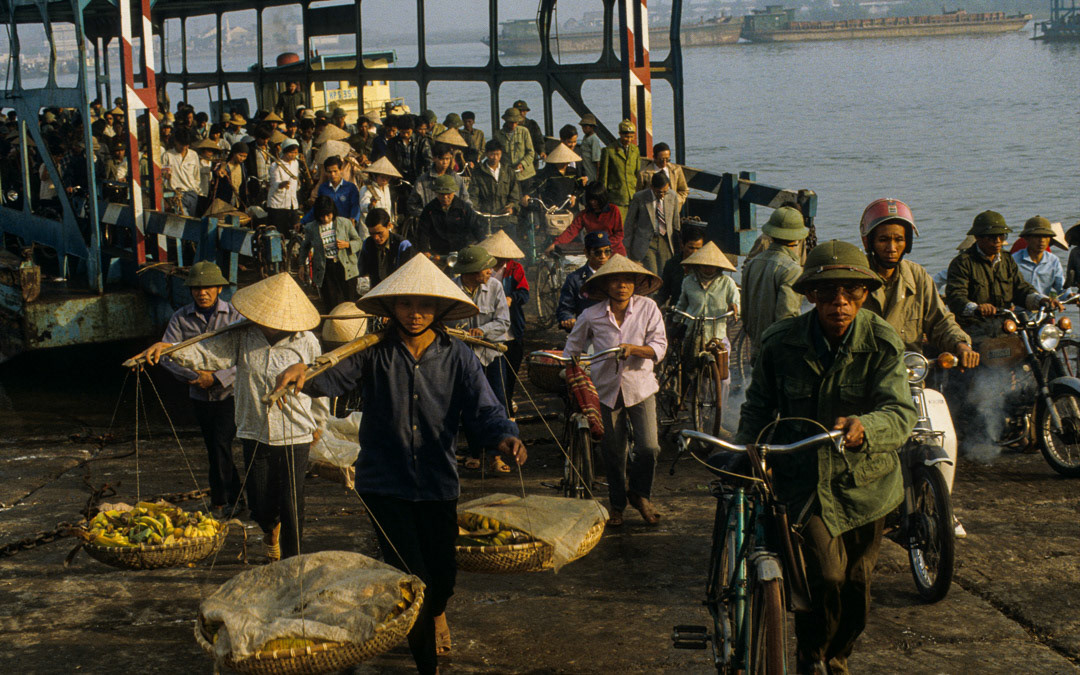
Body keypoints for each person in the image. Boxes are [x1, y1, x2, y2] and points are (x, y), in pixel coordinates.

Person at [273, 254, 526, 675]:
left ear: (440, 309)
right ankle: (427, 664)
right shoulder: (372, 352)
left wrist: (504, 437)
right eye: (405, 304)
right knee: (413, 577)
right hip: (383, 483)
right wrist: (303, 372)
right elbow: (330, 374)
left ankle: (437, 612)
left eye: (424, 305)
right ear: (392, 309)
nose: (415, 313)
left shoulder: (457, 356)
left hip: (437, 481)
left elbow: (485, 409)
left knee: (442, 576)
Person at [735, 240, 917, 674]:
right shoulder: (780, 343)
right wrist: (745, 452)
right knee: (824, 578)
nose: (840, 302)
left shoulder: (882, 341)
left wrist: (865, 427)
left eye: (850, 293)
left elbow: (900, 412)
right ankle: (811, 654)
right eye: (828, 292)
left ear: (864, 295)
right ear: (811, 295)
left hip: (866, 486)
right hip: (803, 483)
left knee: (856, 586)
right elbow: (758, 407)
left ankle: (837, 656)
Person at [138, 273, 324, 562]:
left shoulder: (306, 341)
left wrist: (319, 423)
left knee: (293, 502)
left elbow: (318, 384)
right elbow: (207, 354)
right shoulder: (243, 335)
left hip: (295, 429)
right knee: (260, 502)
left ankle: (292, 563)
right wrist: (171, 350)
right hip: (254, 428)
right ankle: (269, 527)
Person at [857, 198, 976, 538]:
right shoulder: (857, 278)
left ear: (908, 241)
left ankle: (941, 505)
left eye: (899, 239)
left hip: (911, 377)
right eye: (883, 239)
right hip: (867, 378)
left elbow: (941, 320)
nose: (892, 247)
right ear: (868, 241)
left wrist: (961, 345)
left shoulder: (918, 276)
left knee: (944, 435)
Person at [564, 255, 667, 526]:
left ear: (635, 284)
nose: (622, 285)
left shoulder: (648, 308)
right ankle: (617, 504)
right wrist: (574, 364)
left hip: (640, 386)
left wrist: (635, 350)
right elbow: (572, 349)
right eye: (615, 280)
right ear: (605, 285)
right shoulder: (590, 315)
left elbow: (659, 346)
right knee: (613, 451)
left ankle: (640, 494)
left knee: (649, 447)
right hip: (606, 390)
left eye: (627, 280)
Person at [158, 262, 244, 516]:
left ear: (219, 288)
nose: (202, 293)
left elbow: (245, 356)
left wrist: (217, 378)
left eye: (207, 288)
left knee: (220, 443)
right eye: (196, 288)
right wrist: (195, 376)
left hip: (229, 394)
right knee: (216, 448)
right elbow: (165, 354)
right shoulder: (181, 317)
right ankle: (236, 498)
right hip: (199, 395)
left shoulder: (234, 316)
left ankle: (221, 501)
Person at [945, 210, 1061, 339]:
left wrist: (1040, 300)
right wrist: (977, 308)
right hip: (974, 329)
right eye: (992, 237)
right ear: (978, 237)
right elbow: (955, 297)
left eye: (1002, 236)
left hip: (1005, 325)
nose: (998, 241)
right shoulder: (963, 263)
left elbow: (1020, 288)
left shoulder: (1006, 259)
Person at [451, 246, 512, 473]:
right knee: (469, 404)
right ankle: (476, 452)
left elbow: (504, 322)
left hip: (491, 355)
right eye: (486, 268)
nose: (490, 271)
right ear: (472, 271)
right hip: (464, 358)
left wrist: (482, 331)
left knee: (497, 403)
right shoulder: (451, 289)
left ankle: (497, 455)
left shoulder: (495, 286)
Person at [740, 206, 808, 356]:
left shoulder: (752, 264)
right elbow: (786, 317)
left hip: (756, 345)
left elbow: (744, 311)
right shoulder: (792, 270)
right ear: (797, 238)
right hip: (778, 350)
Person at [480, 230, 529, 417]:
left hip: (511, 330)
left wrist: (511, 298)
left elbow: (524, 293)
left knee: (509, 377)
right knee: (492, 379)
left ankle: (507, 409)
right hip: (489, 330)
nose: (499, 261)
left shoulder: (515, 269)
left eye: (502, 257)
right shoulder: (482, 269)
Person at [673, 241, 739, 357]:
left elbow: (736, 305)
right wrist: (675, 320)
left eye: (712, 266)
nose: (708, 269)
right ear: (698, 265)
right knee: (689, 369)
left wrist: (734, 307)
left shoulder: (727, 283)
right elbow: (681, 305)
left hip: (717, 334)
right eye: (705, 265)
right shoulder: (688, 281)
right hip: (692, 333)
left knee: (723, 371)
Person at [300, 195, 365, 310]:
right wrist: (301, 265)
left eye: (328, 215)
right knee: (331, 301)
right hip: (326, 268)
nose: (325, 219)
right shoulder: (312, 228)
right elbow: (305, 247)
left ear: (333, 212)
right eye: (322, 216)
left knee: (349, 301)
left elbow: (358, 241)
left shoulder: (345, 223)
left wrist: (347, 244)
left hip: (345, 266)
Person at [414, 174, 485, 260]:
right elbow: (422, 232)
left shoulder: (464, 208)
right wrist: (424, 250)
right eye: (441, 194)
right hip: (439, 254)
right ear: (436, 193)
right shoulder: (429, 210)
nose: (445, 197)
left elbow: (476, 227)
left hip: (462, 252)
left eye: (448, 194)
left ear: (454, 192)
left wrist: (483, 245)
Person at [624, 172, 681, 276]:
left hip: (665, 241)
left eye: (665, 192)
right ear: (652, 187)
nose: (662, 195)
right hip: (647, 242)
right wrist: (627, 249)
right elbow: (629, 223)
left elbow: (676, 222)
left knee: (665, 273)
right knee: (652, 273)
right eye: (659, 192)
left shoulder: (672, 196)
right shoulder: (639, 197)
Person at [546, 182, 626, 256]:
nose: (593, 202)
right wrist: (556, 244)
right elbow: (571, 231)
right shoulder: (584, 214)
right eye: (591, 199)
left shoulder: (613, 210)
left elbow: (619, 234)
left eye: (596, 200)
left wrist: (603, 245)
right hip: (596, 255)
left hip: (615, 253)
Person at [556, 231, 613, 330]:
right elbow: (565, 308)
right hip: (588, 331)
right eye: (597, 252)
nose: (603, 256)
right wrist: (568, 319)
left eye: (607, 251)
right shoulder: (574, 279)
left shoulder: (617, 276)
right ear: (586, 253)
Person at [409, 142, 470, 218]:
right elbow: (412, 204)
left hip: (453, 222)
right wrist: (427, 215)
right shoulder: (423, 180)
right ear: (434, 158)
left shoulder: (456, 178)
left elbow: (465, 200)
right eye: (441, 159)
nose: (445, 162)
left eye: (447, 159)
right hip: (430, 223)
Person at [359, 207, 416, 287]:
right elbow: (363, 270)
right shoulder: (368, 244)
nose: (376, 238)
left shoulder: (403, 245)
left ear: (389, 225)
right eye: (372, 234)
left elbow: (409, 275)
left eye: (379, 233)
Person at [597, 119, 641, 221]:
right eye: (626, 136)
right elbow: (604, 177)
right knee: (619, 227)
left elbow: (637, 173)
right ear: (620, 134)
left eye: (631, 137)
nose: (629, 140)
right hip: (617, 198)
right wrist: (603, 197)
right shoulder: (609, 151)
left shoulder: (635, 150)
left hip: (633, 196)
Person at [1012, 215, 1065, 296]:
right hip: (1019, 308)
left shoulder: (1053, 261)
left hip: (1044, 306)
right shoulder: (1014, 260)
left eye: (1045, 236)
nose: (1042, 240)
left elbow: (1061, 288)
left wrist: (1069, 295)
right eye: (1037, 236)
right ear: (1026, 238)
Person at [469, 139, 520, 220]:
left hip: (506, 217)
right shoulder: (478, 173)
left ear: (501, 154)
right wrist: (477, 210)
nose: (495, 157)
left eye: (498, 154)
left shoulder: (508, 171)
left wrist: (511, 208)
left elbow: (515, 195)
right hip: (486, 217)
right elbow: (473, 196)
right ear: (486, 154)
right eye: (492, 154)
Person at [656, 225, 705, 307]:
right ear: (682, 245)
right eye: (691, 248)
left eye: (698, 249)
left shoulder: (706, 265)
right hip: (676, 311)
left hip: (697, 312)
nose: (695, 252)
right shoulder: (672, 264)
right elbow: (664, 292)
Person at [306, 155, 361, 225]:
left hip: (346, 226)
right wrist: (303, 221)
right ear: (325, 172)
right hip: (328, 226)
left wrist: (353, 218)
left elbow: (355, 206)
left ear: (341, 170)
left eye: (335, 171)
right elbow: (317, 208)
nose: (332, 174)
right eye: (329, 172)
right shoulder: (323, 188)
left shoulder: (351, 188)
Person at [493, 107, 535, 195]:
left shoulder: (524, 132)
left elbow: (531, 152)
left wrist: (523, 164)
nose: (513, 125)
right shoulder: (498, 135)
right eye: (511, 122)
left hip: (526, 175)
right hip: (508, 176)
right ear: (506, 121)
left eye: (515, 122)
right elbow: (497, 155)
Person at [266, 138, 302, 236]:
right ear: (285, 151)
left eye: (295, 153)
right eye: (291, 152)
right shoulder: (276, 165)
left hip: (292, 202)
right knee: (278, 231)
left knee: (293, 230)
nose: (293, 155)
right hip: (278, 203)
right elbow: (274, 183)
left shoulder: (295, 163)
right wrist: (281, 184)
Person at [638, 142, 689, 209]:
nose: (664, 163)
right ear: (654, 157)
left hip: (671, 208)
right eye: (661, 160)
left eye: (667, 159)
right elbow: (639, 194)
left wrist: (677, 201)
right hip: (652, 209)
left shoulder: (676, 170)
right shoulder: (644, 174)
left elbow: (684, 190)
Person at [161, 127, 200, 216]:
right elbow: (164, 178)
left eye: (186, 145)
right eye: (181, 144)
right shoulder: (167, 155)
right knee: (183, 220)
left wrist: (195, 189)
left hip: (191, 194)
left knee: (191, 222)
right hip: (176, 195)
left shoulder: (193, 155)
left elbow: (196, 175)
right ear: (175, 142)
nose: (184, 147)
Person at [358, 156, 402, 225]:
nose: (385, 180)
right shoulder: (366, 188)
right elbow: (363, 206)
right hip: (370, 226)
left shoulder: (387, 189)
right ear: (375, 176)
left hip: (385, 225)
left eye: (387, 177)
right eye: (382, 177)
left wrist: (392, 221)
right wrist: (370, 205)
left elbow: (389, 209)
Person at [513, 100, 544, 165]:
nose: (521, 113)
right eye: (519, 111)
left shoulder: (532, 124)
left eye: (523, 111)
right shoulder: (509, 126)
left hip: (531, 159)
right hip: (514, 160)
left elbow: (539, 140)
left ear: (526, 111)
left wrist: (542, 151)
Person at [578, 113, 603, 183]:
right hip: (585, 169)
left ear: (591, 127)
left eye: (585, 127)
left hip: (591, 171)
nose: (583, 129)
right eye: (582, 127)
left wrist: (598, 177)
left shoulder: (594, 139)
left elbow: (597, 160)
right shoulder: (585, 137)